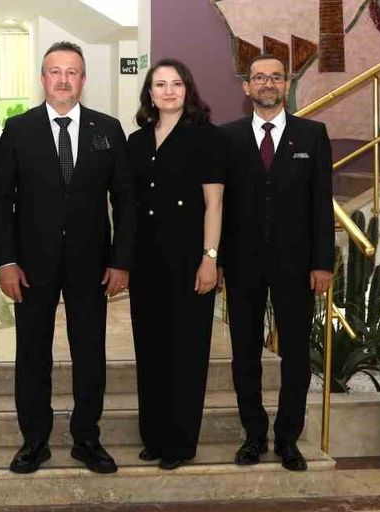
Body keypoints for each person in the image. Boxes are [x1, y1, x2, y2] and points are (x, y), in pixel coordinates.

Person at [0, 41, 134, 475]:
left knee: (89, 352)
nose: (63, 80)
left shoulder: (107, 129)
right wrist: (6, 261)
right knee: (32, 353)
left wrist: (121, 260)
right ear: (42, 79)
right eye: (55, 71)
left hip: (91, 265)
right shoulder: (18, 129)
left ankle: (87, 439)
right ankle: (34, 441)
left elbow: (125, 200)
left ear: (83, 80)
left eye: (72, 72)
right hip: (31, 266)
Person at [219, 53, 334, 472]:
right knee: (244, 352)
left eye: (276, 77)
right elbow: (218, 206)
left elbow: (321, 203)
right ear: (246, 86)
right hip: (242, 264)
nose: (267, 83)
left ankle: (288, 439)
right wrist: (216, 261)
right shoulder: (226, 137)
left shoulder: (312, 135)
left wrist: (323, 263)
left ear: (286, 85)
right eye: (259, 77)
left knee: (297, 355)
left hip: (297, 265)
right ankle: (253, 435)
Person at [126, 59, 225, 469]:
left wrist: (210, 259)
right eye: (160, 84)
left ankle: (180, 443)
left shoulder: (206, 137)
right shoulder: (136, 141)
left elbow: (214, 204)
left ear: (188, 90)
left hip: (190, 260)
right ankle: (153, 436)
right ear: (149, 94)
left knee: (186, 352)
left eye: (176, 84)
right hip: (146, 261)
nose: (168, 91)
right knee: (150, 350)